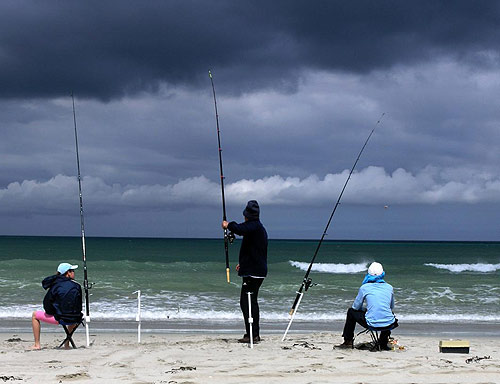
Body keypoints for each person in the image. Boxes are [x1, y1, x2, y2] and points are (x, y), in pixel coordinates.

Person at [222, 200, 268, 344]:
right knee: (249, 302)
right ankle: (252, 333)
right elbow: (252, 250)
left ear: (247, 215)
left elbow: (240, 229)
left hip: (254, 272)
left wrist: (228, 225)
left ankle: (253, 334)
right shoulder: (256, 228)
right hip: (253, 269)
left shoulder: (254, 226)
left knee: (247, 302)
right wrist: (243, 264)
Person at [337, 261, 397, 350]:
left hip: (371, 323)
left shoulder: (365, 287)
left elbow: (355, 307)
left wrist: (365, 309)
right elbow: (391, 307)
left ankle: (348, 341)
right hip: (389, 324)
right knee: (388, 313)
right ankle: (383, 342)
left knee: (351, 312)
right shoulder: (389, 287)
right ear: (382, 274)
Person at [31, 262, 83, 349]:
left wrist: (53, 312)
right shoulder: (77, 286)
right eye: (72, 271)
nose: (74, 272)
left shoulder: (55, 286)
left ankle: (37, 344)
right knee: (72, 314)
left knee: (35, 315)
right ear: (68, 273)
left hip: (60, 318)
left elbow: (47, 304)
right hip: (75, 318)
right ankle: (67, 344)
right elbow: (79, 304)